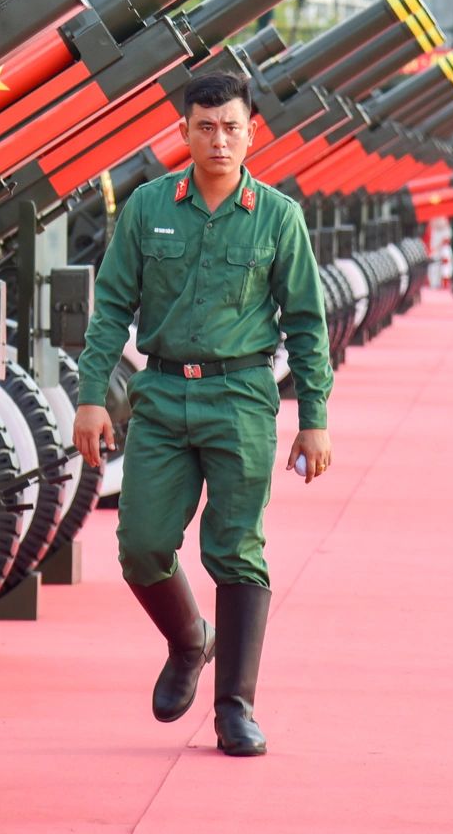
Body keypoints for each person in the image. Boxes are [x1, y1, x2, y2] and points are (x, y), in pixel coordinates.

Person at [73, 71, 332, 758]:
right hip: (160, 396)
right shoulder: (148, 206)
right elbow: (111, 307)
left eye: (232, 128)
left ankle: (234, 709)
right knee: (142, 545)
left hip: (241, 395)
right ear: (184, 132)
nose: (220, 139)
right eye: (206, 127)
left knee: (236, 547)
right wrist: (92, 396)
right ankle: (190, 640)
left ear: (251, 133)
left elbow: (307, 324)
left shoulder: (277, 216)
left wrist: (314, 417)